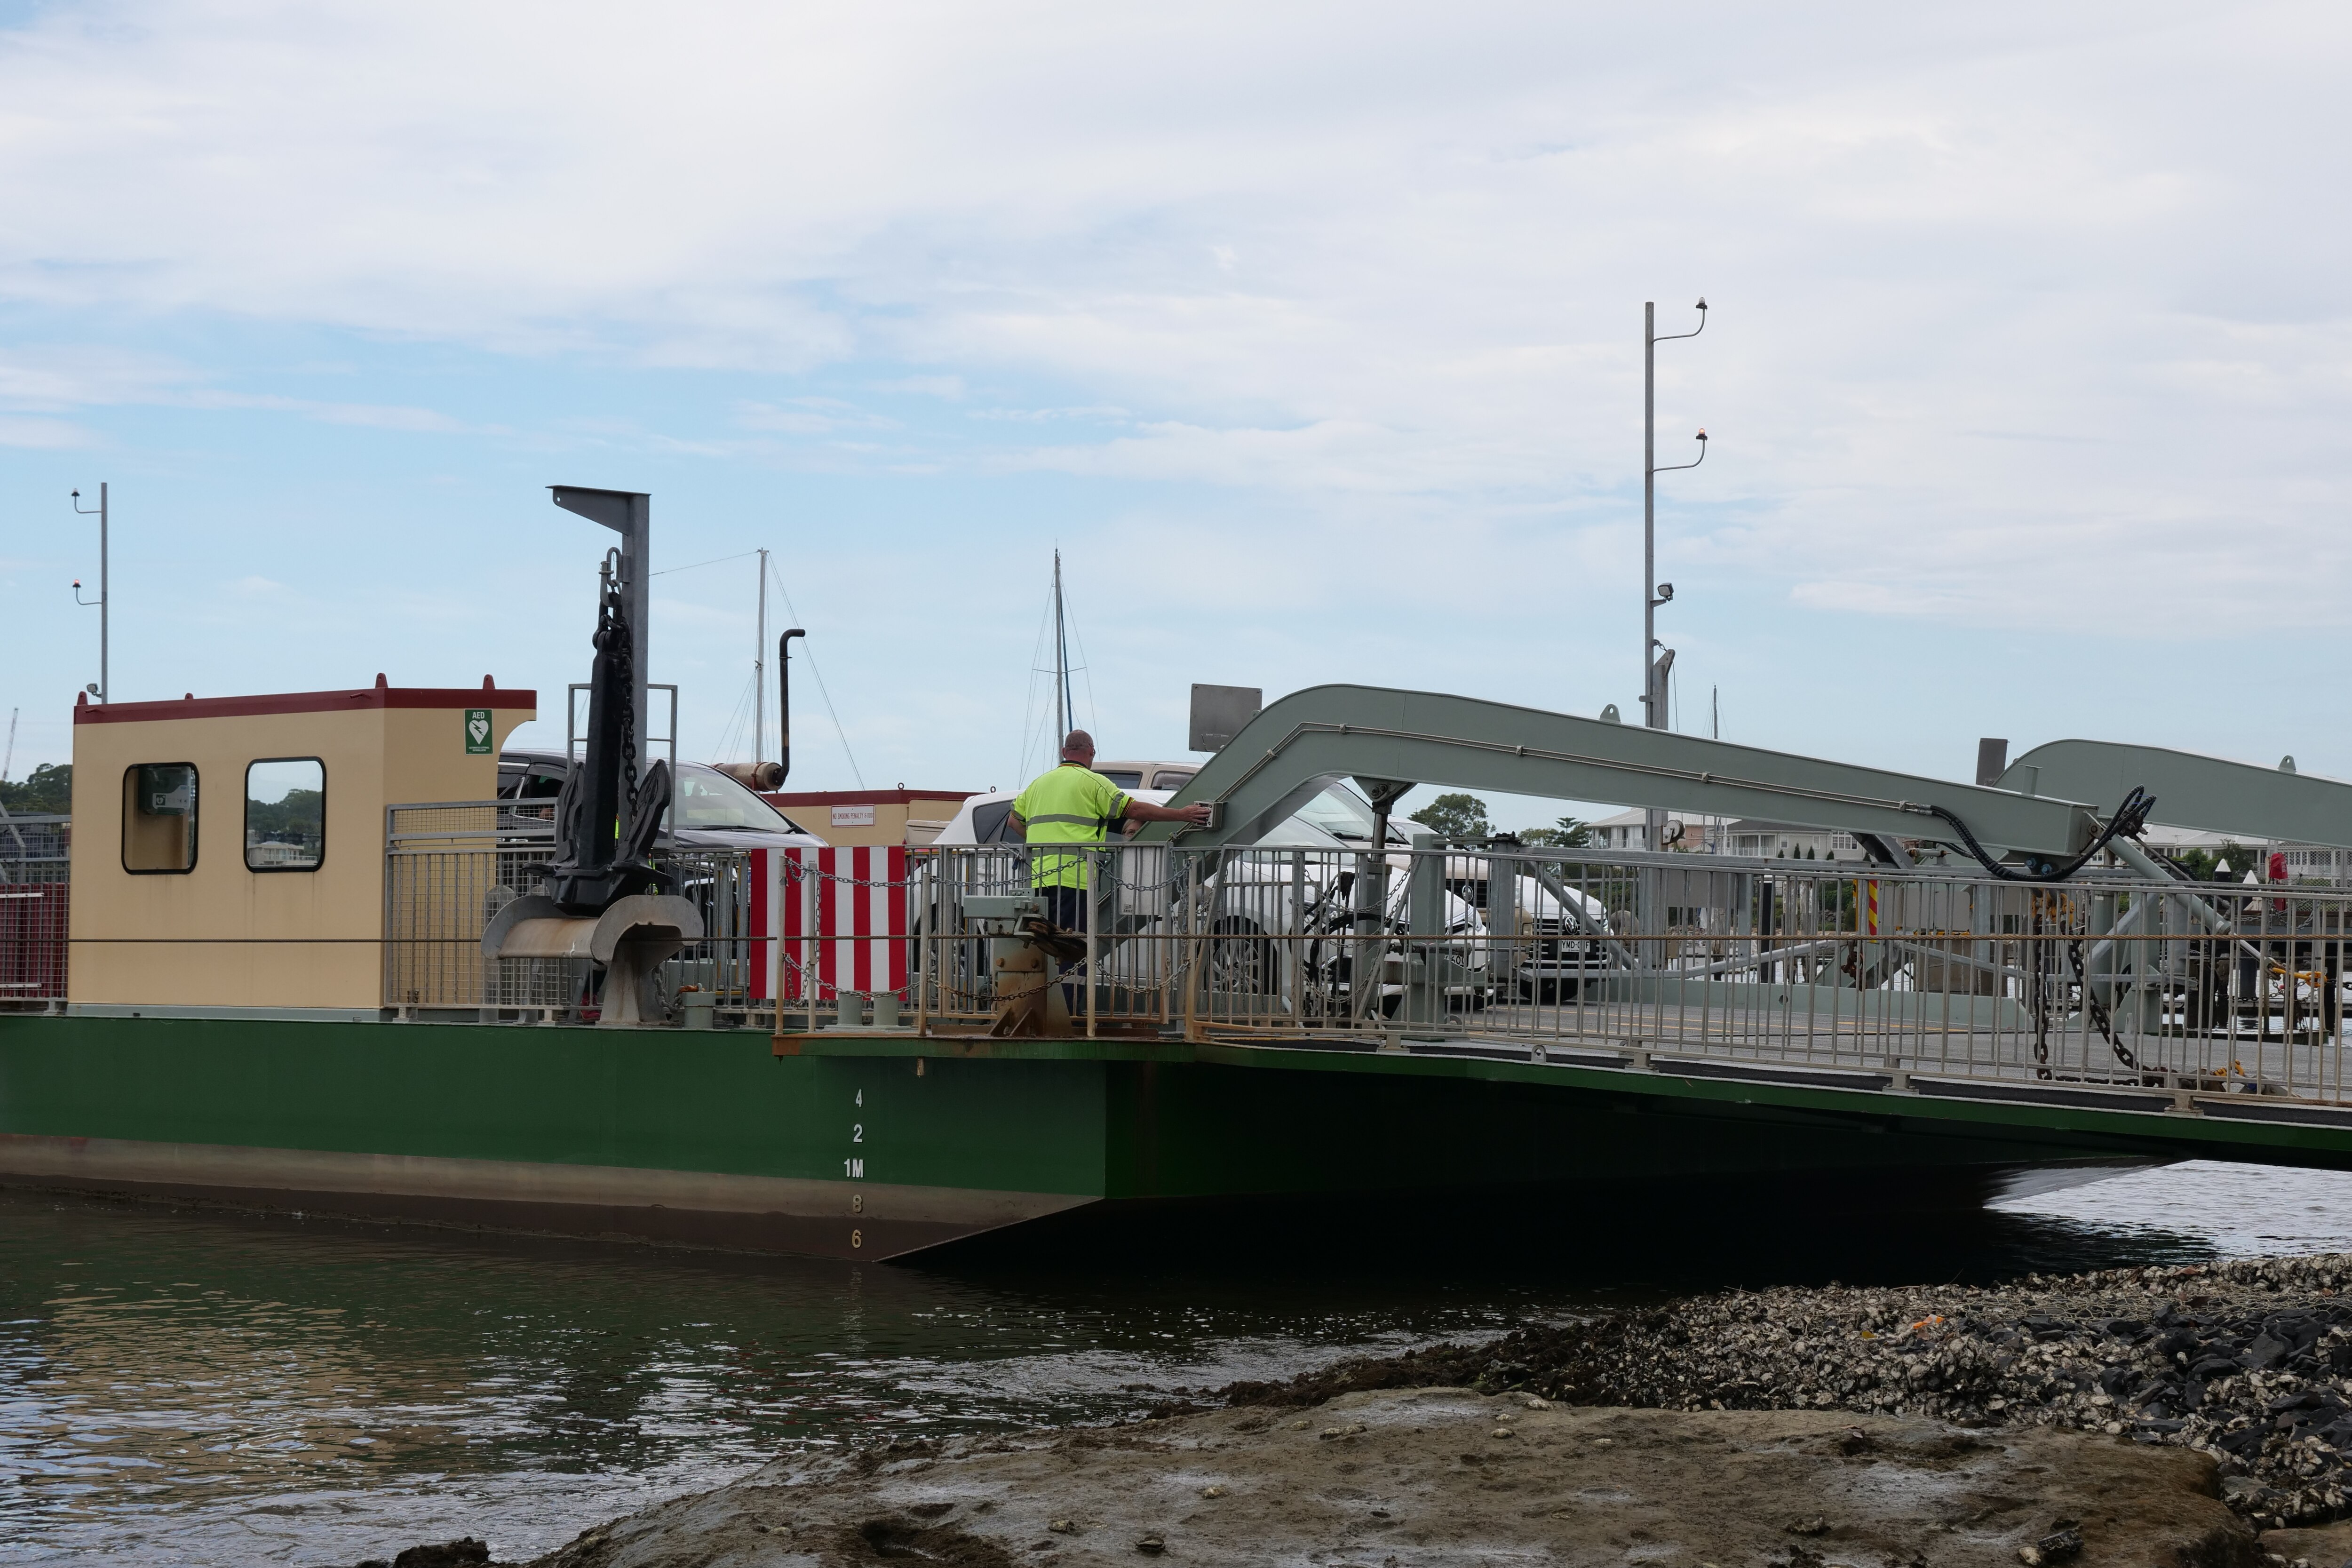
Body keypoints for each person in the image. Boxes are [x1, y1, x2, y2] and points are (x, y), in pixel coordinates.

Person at [1009, 729, 1211, 931]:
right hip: (1075, 880)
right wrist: (1181, 815)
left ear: (1064, 752)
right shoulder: (1094, 783)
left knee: (1042, 947)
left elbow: (1014, 822)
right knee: (1070, 946)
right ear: (1092, 751)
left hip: (1037, 879)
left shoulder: (1037, 785)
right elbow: (1135, 809)